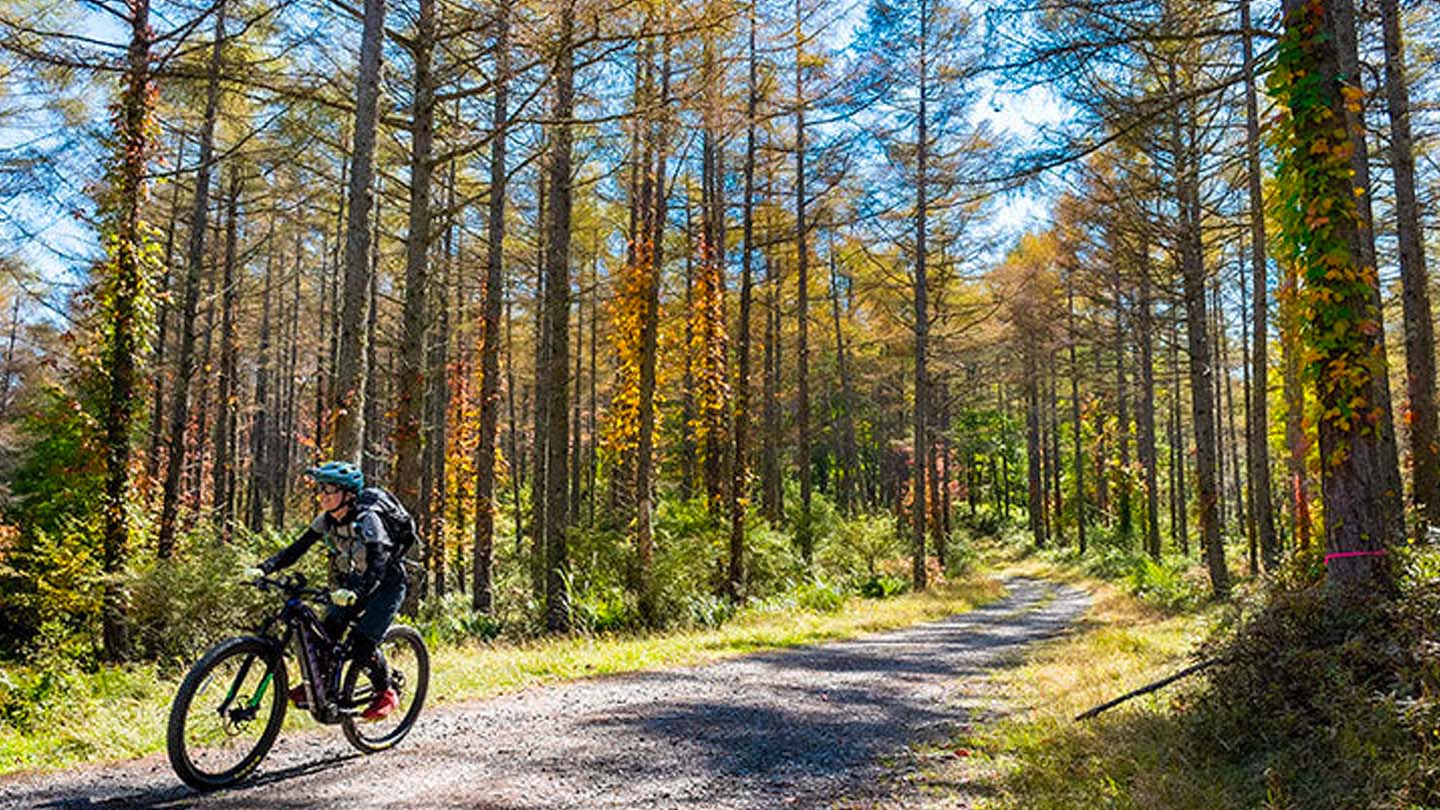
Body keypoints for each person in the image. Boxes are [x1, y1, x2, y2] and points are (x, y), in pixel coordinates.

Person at [245, 461, 412, 721]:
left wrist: (357, 592)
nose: (322, 495)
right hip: (354, 582)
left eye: (329, 490)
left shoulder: (369, 520)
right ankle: (319, 686)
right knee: (326, 634)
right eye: (320, 489)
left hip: (387, 584)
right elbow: (296, 549)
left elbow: (378, 562)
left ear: (348, 495)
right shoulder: (326, 520)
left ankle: (385, 692)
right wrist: (264, 568)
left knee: (362, 643)